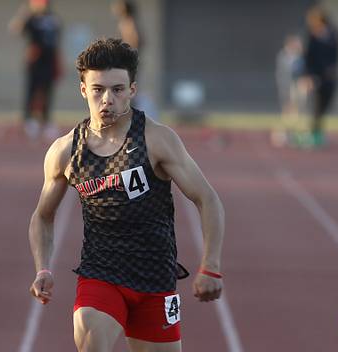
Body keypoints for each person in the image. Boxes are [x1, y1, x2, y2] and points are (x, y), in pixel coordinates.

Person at [27, 38, 225, 352]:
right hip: (101, 274)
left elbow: (207, 199)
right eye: (98, 89)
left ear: (132, 90)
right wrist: (43, 267)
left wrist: (210, 265)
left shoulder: (157, 140)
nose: (107, 99)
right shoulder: (65, 151)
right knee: (90, 339)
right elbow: (42, 216)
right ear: (83, 90)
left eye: (117, 90)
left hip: (155, 279)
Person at [9, 0, 62, 140]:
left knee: (47, 91)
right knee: (32, 90)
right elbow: (15, 29)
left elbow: (57, 40)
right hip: (35, 60)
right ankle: (29, 120)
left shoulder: (53, 19)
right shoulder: (31, 19)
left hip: (49, 60)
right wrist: (24, 13)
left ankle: (46, 120)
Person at [301, 5, 338, 148]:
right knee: (315, 106)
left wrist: (333, 70)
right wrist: (308, 76)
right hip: (315, 77)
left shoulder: (333, 35)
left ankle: (317, 131)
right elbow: (307, 57)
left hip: (329, 78)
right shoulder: (312, 37)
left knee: (325, 105)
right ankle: (313, 134)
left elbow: (336, 55)